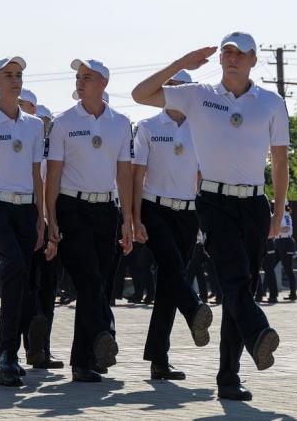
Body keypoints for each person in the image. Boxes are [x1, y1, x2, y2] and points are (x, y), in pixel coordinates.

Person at [132, 31, 289, 401]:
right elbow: (140, 94)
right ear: (220, 58)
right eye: (227, 52)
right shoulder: (198, 95)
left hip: (255, 203)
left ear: (253, 60)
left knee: (242, 287)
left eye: (241, 53)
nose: (232, 58)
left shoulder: (271, 102)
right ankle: (258, 331)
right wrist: (181, 63)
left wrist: (279, 211)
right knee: (233, 279)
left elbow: (281, 160)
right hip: (214, 201)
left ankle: (228, 377)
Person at [46, 58, 133, 383]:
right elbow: (53, 174)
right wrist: (51, 217)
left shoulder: (120, 123)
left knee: (98, 283)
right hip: (72, 207)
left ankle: (85, 361)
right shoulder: (63, 122)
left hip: (106, 210)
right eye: (78, 77)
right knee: (88, 277)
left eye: (87, 76)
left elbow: (124, 173)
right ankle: (104, 333)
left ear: (104, 83)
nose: (80, 81)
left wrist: (127, 218)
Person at [0, 59, 51, 387]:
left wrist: (41, 217)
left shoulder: (34, 126)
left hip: (26, 209)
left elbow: (36, 174)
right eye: (8, 75)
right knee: (15, 266)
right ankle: (8, 352)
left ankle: (11, 354)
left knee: (20, 279)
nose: (15, 80)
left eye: (18, 75)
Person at [132, 69, 213, 380]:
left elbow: (204, 175)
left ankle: (159, 360)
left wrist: (205, 217)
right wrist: (134, 217)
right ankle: (193, 309)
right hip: (155, 209)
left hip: (187, 213)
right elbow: (137, 175)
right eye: (174, 87)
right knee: (172, 266)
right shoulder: (148, 126)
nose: (179, 93)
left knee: (169, 283)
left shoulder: (201, 128)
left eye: (184, 88)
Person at [17, 89, 65, 370]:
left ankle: (41, 349)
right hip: (24, 223)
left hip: (48, 225)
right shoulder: (15, 145)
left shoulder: (54, 152)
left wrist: (51, 227)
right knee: (24, 288)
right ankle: (22, 348)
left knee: (47, 290)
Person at [273, 202, 297, 301]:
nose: (275, 205)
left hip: (285, 242)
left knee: (288, 269)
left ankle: (293, 293)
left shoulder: (285, 215)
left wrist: (275, 228)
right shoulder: (277, 214)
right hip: (278, 241)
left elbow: (287, 228)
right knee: (269, 267)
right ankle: (268, 293)